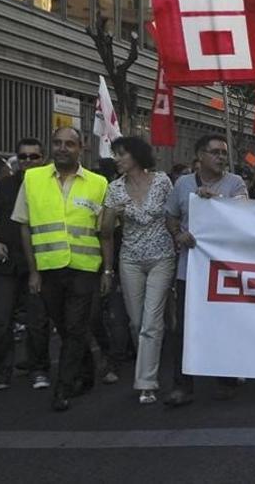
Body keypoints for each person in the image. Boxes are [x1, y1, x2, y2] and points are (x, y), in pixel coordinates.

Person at [12, 127, 113, 411]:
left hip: (84, 269)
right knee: (66, 328)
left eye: (69, 144)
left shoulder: (98, 183)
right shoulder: (32, 179)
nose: (62, 148)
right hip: (48, 268)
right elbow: (25, 226)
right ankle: (86, 372)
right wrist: (33, 271)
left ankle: (63, 388)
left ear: (81, 148)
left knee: (75, 326)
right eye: (57, 143)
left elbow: (105, 233)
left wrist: (108, 271)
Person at [164, 134, 248, 408]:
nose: (221, 157)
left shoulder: (235, 183)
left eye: (224, 152)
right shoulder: (183, 184)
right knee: (184, 328)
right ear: (199, 155)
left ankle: (225, 379)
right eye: (214, 152)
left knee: (224, 324)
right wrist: (179, 234)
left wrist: (217, 200)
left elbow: (244, 214)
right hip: (192, 268)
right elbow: (171, 216)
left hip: (224, 269)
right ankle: (182, 385)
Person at [99, 136, 176, 405]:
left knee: (152, 321)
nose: (117, 159)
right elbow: (105, 233)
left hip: (162, 258)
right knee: (136, 322)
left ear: (136, 156)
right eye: (115, 155)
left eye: (122, 154)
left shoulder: (162, 181)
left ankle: (146, 383)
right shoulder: (114, 189)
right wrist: (108, 271)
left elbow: (173, 216)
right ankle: (147, 361)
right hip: (129, 259)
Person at [0, 138, 51, 392]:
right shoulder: (5, 185)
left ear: (43, 158)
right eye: (23, 157)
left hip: (38, 263)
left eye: (34, 157)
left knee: (37, 320)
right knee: (0, 318)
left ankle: (39, 369)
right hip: (6, 263)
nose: (28, 161)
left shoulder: (50, 184)